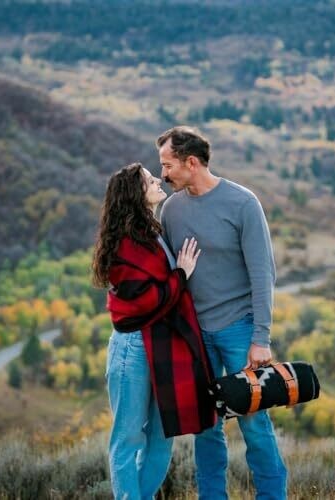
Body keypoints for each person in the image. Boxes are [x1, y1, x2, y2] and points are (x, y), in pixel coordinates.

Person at [157, 127, 287, 500]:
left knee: (254, 423)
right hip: (196, 336)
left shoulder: (243, 203)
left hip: (239, 331)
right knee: (206, 426)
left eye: (167, 165)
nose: (163, 175)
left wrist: (260, 338)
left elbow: (263, 275)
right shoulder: (171, 210)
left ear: (191, 162)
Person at [92, 162, 216, 500]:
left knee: (162, 438)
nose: (157, 179)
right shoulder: (125, 244)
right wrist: (181, 275)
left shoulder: (152, 231)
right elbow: (142, 301)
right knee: (128, 438)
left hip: (162, 345)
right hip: (133, 347)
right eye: (149, 180)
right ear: (135, 194)